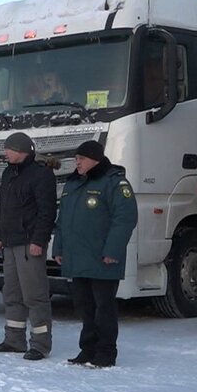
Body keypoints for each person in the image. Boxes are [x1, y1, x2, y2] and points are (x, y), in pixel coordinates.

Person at [52, 141, 138, 367]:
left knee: (104, 308)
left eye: (81, 158)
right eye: (76, 158)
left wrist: (113, 250)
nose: (77, 162)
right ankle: (88, 349)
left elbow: (125, 219)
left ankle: (106, 352)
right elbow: (63, 221)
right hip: (78, 257)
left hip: (102, 259)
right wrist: (58, 247)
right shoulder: (73, 184)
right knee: (84, 307)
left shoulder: (114, 183)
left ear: (94, 159)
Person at [0, 132, 57, 360]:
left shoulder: (41, 175)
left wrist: (39, 240)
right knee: (11, 293)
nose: (5, 153)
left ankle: (40, 343)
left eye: (9, 149)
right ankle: (14, 339)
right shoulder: (9, 173)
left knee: (35, 294)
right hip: (9, 242)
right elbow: (3, 208)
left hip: (29, 244)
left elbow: (47, 212)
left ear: (22, 150)